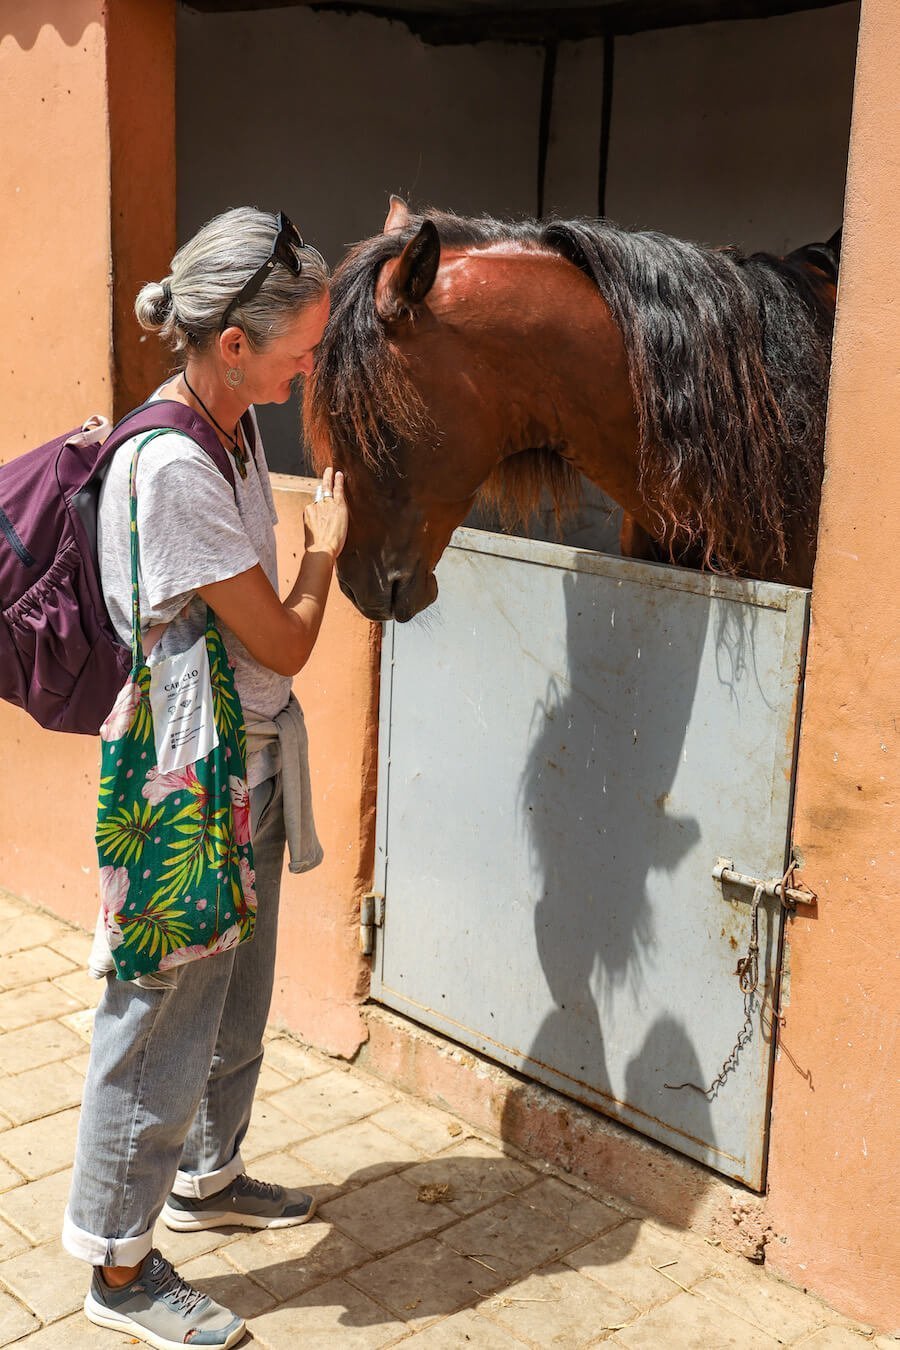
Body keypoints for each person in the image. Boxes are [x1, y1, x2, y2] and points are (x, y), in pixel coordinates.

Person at [62, 207, 348, 1350]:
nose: (309, 367)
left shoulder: (233, 431)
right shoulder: (177, 462)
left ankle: (209, 1176)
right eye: (300, 349)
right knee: (156, 1019)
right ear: (234, 342)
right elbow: (281, 641)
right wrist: (325, 545)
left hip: (253, 761)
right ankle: (118, 1268)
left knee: (235, 994)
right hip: (192, 784)